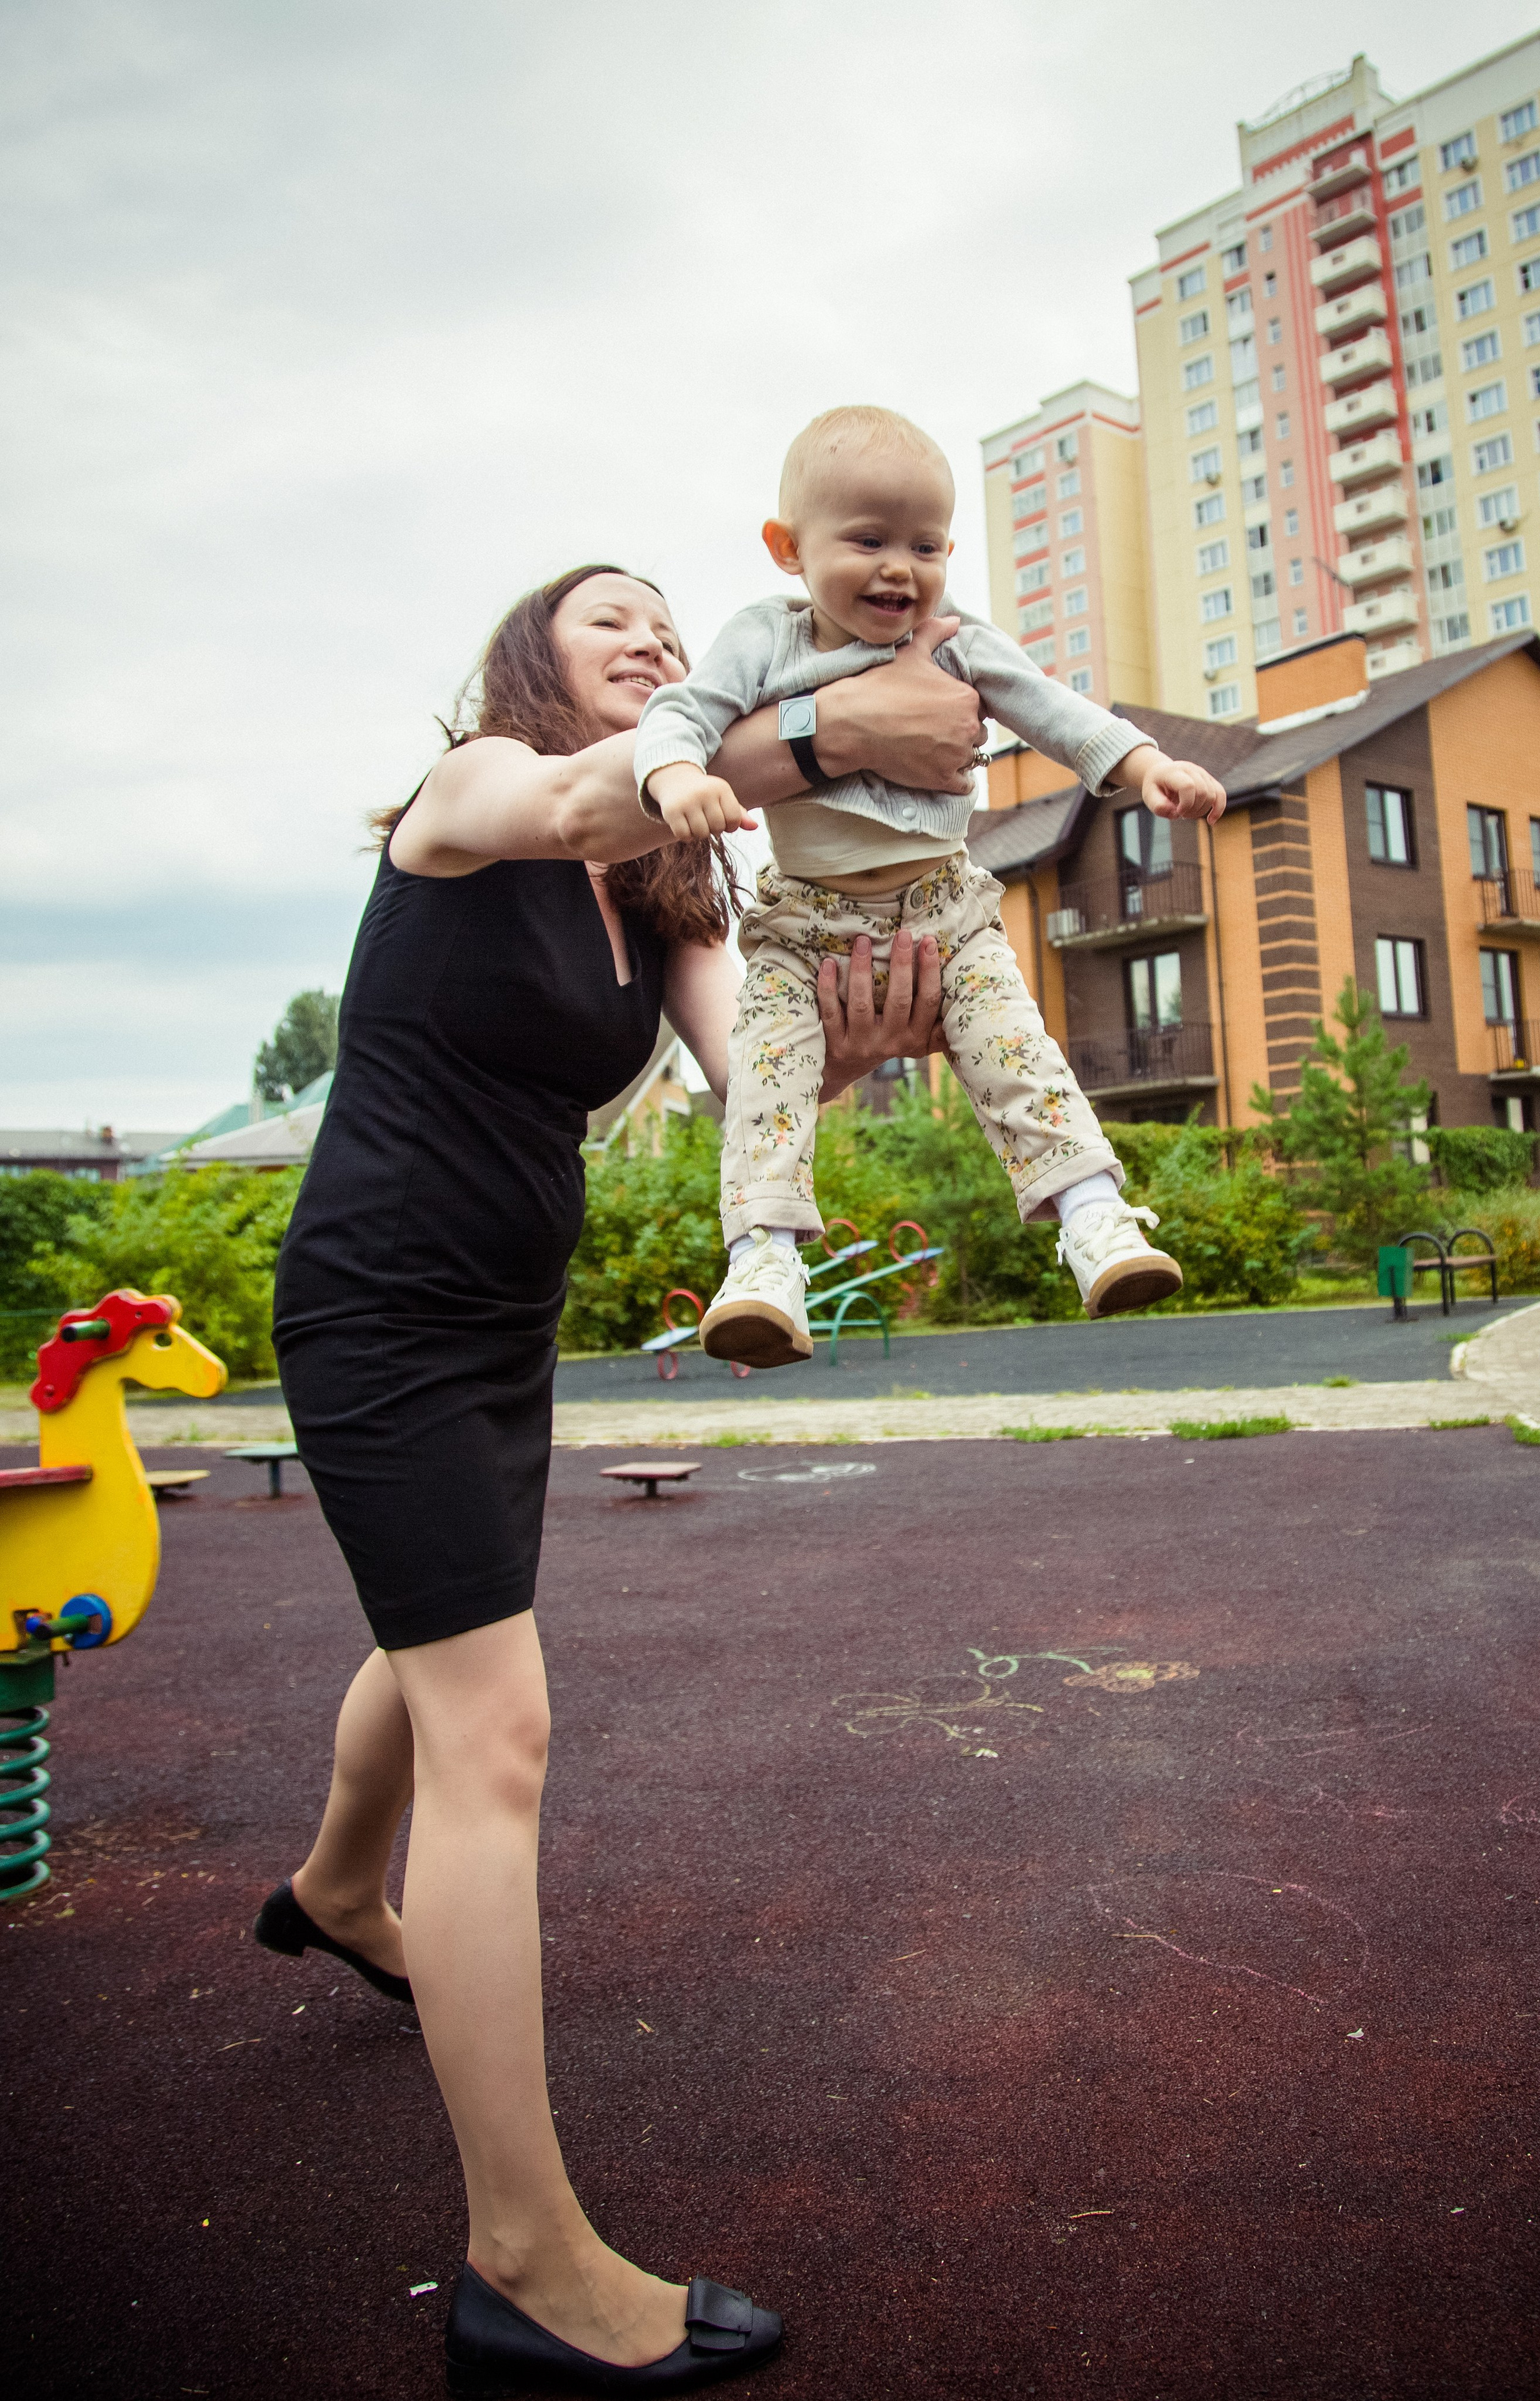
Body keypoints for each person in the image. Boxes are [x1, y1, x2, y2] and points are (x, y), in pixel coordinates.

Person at [258, 564, 982, 2397]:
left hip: (505, 1318)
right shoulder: (479, 793)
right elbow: (587, 796)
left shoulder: (664, 901)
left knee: (445, 1634)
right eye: (612, 619)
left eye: (669, 621)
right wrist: (817, 724)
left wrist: (849, 1051)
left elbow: (759, 1081)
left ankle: (338, 1890)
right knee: (494, 1729)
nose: (651, 637)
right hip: (380, 1301)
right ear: (534, 660)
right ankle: (525, 2262)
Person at [634, 406, 1229, 1371]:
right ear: (788, 548)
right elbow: (682, 711)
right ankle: (762, 1261)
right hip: (806, 928)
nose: (899, 570)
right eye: (868, 541)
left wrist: (1145, 764)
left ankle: (1094, 1216)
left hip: (944, 914)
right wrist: (675, 776)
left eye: (926, 546)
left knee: (1014, 1048)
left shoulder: (955, 639)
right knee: (769, 1074)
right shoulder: (766, 639)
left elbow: (1053, 708)